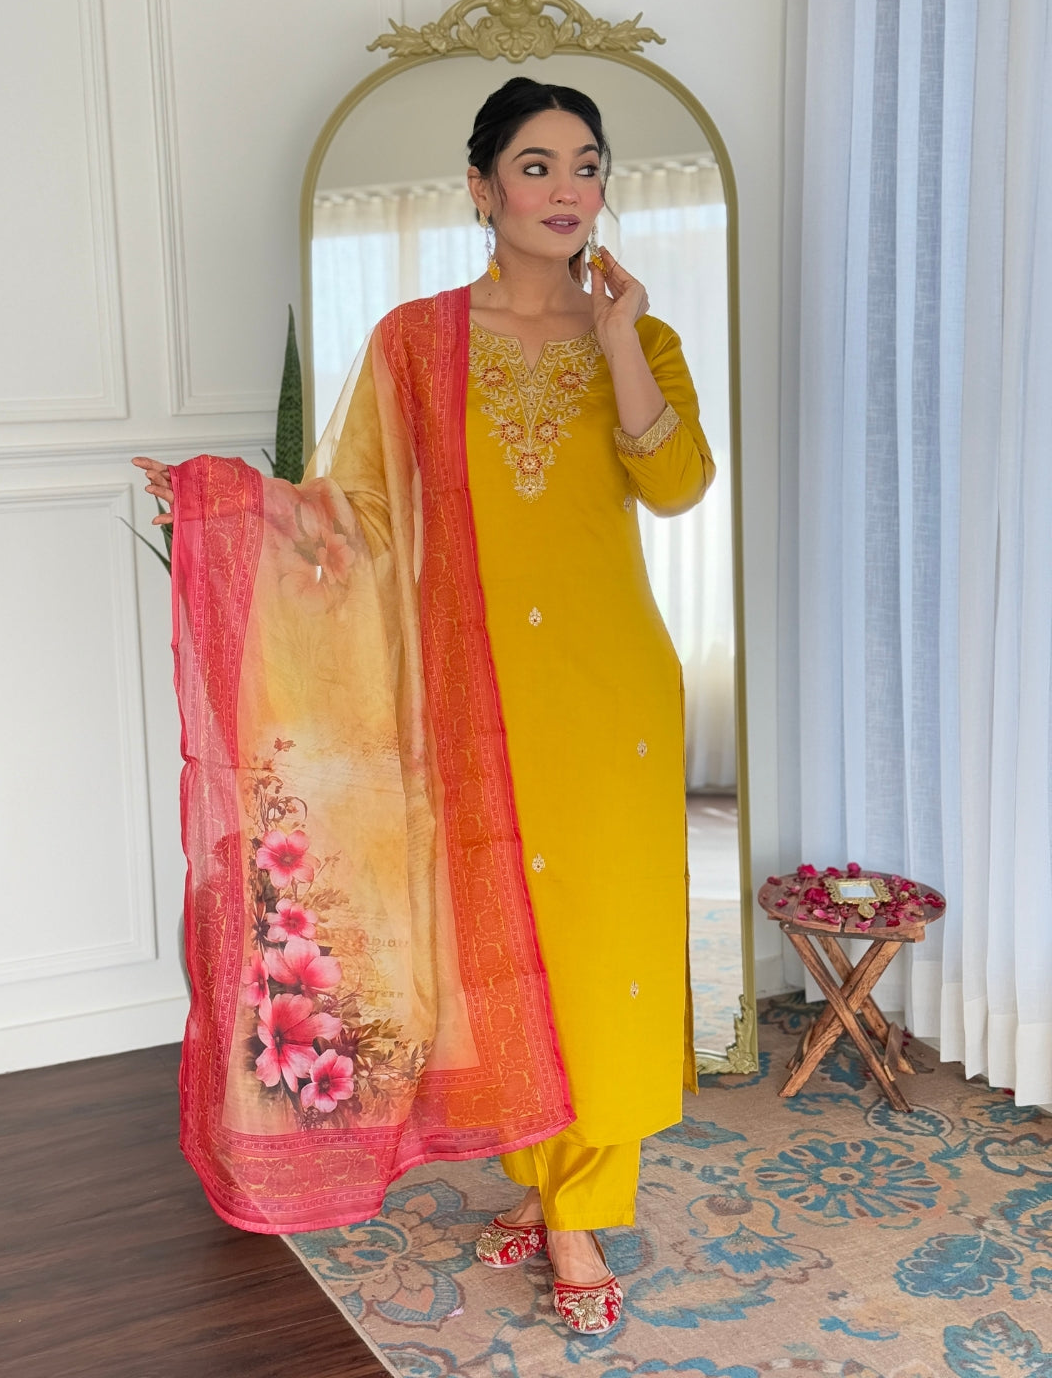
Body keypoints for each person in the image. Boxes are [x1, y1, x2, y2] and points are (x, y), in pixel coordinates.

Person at [134, 76, 714, 1336]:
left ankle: (575, 1214)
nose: (569, 191)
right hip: (473, 686)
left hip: (611, 692)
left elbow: (675, 485)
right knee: (506, 940)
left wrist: (619, 340)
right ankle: (541, 1169)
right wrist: (230, 506)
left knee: (606, 952)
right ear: (481, 186)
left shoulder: (642, 340)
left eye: (588, 166)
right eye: (539, 166)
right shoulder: (415, 338)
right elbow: (359, 516)